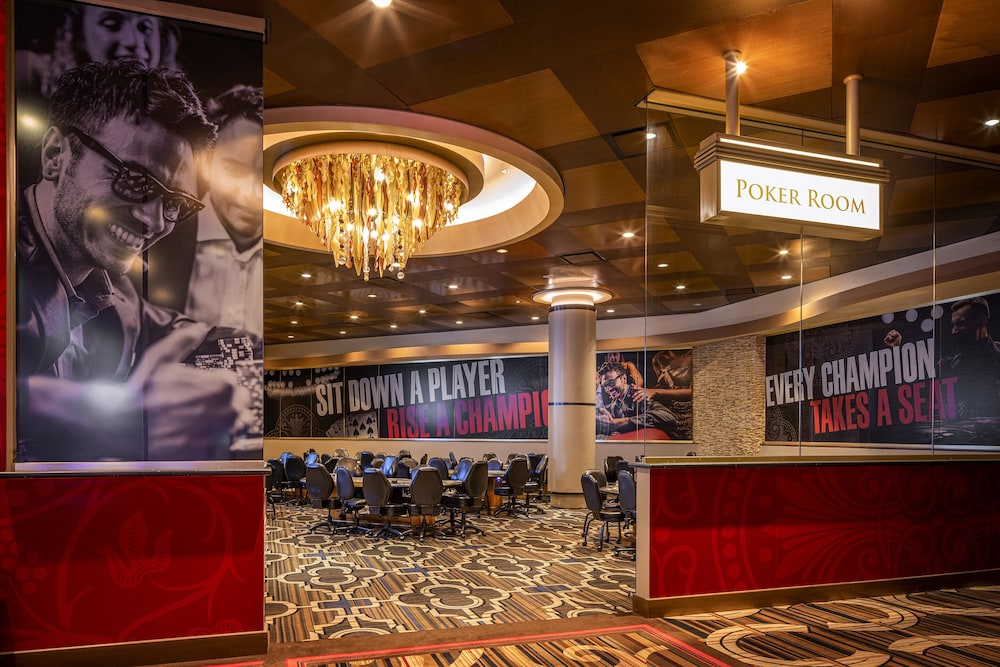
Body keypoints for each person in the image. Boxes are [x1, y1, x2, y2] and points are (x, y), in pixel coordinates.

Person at [16, 58, 253, 462]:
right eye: (134, 180)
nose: (153, 221)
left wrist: (246, 353)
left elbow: (176, 328)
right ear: (56, 154)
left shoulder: (114, 288)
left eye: (175, 203)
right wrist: (109, 420)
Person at [148, 85, 264, 337]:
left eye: (266, 178)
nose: (252, 193)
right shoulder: (156, 236)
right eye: (235, 170)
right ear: (206, 163)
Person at [940, 297, 1000, 420]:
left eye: (960, 324)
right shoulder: (948, 365)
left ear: (982, 320)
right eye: (953, 325)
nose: (954, 331)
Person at [596, 360, 679, 440]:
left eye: (611, 383)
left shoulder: (638, 395)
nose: (608, 389)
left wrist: (620, 423)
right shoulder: (614, 404)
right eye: (605, 386)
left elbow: (670, 418)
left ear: (624, 378)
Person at [634, 349, 693, 438]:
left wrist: (655, 392)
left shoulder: (693, 354)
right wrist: (642, 391)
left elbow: (693, 392)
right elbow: (665, 385)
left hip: (691, 413)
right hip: (671, 411)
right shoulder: (658, 359)